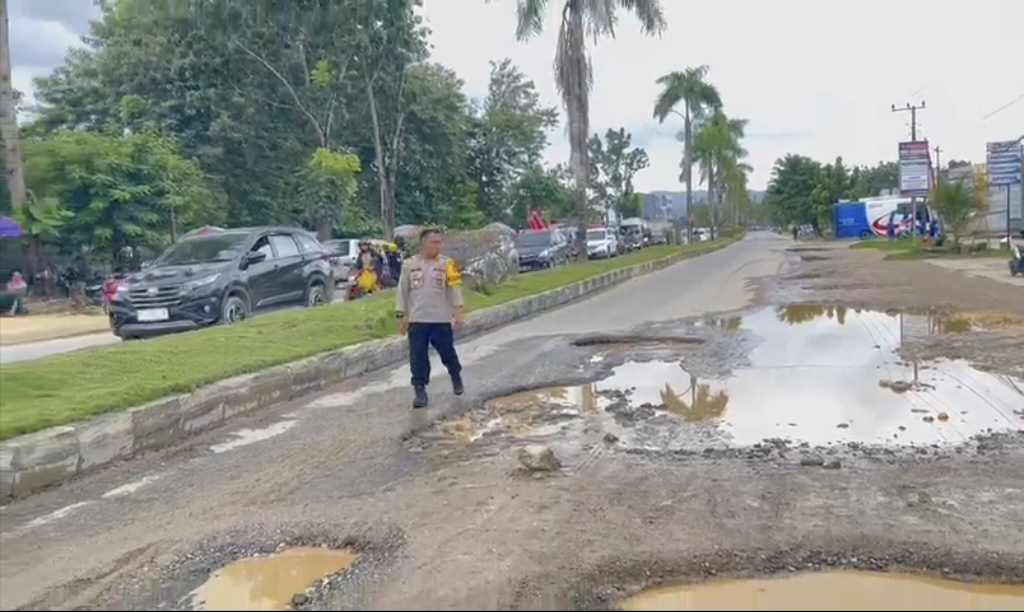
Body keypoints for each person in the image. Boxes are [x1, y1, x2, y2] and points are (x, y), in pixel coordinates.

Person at [396, 228, 465, 409]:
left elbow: (454, 288)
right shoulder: (409, 264)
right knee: (417, 356)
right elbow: (403, 291)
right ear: (424, 243)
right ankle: (420, 391)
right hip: (417, 319)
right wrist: (402, 314)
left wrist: (458, 311)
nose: (438, 246)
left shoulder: (446, 264)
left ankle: (455, 375)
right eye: (434, 242)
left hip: (440, 318)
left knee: (447, 352)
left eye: (439, 242)